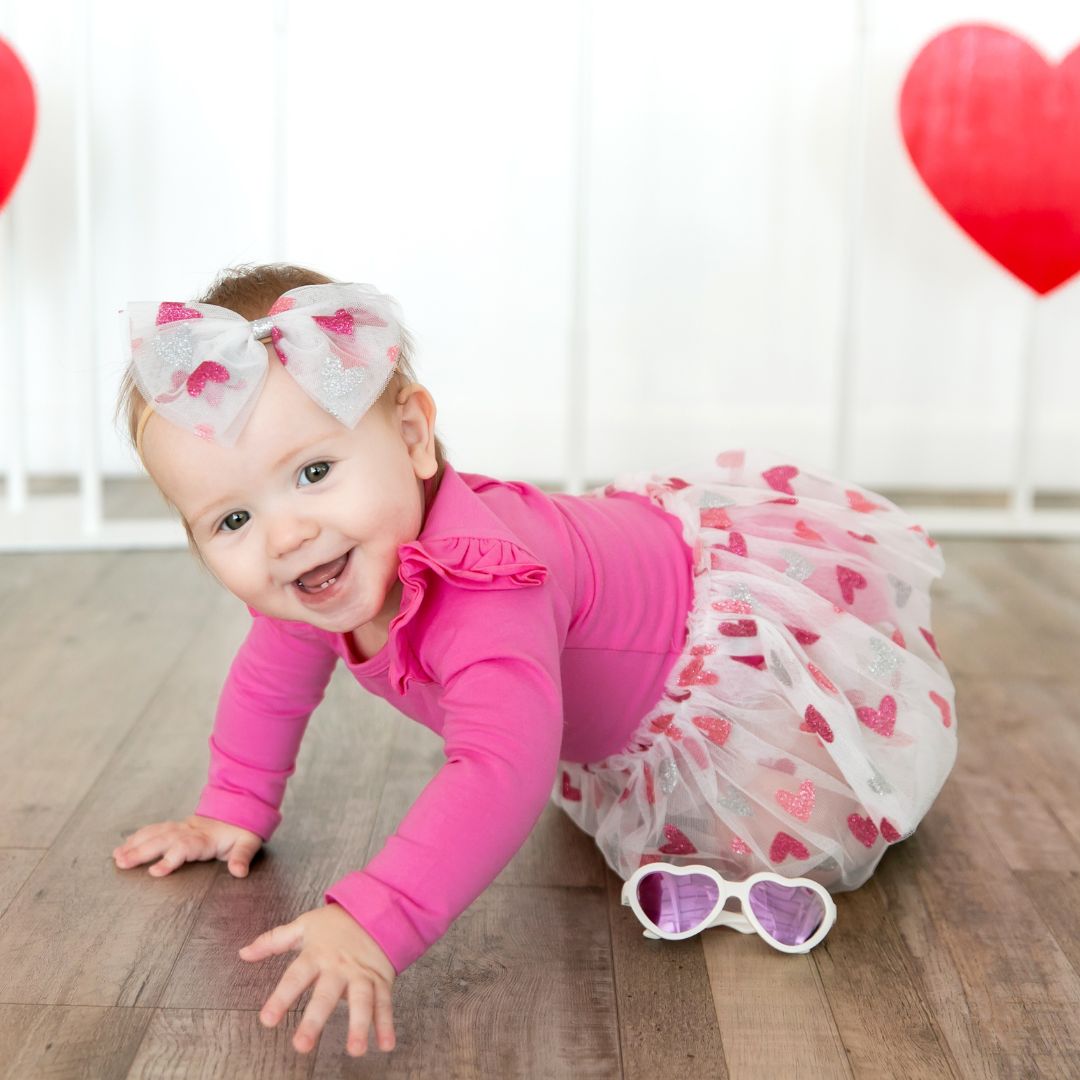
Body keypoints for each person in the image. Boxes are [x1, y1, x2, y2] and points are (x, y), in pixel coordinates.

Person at [111, 262, 958, 1058]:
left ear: (412, 438)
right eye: (231, 522)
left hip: (712, 651)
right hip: (600, 694)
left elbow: (501, 768)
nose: (286, 536)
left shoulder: (489, 583)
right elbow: (271, 681)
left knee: (790, 808)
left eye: (316, 471)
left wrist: (377, 917)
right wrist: (233, 803)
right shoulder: (322, 570)